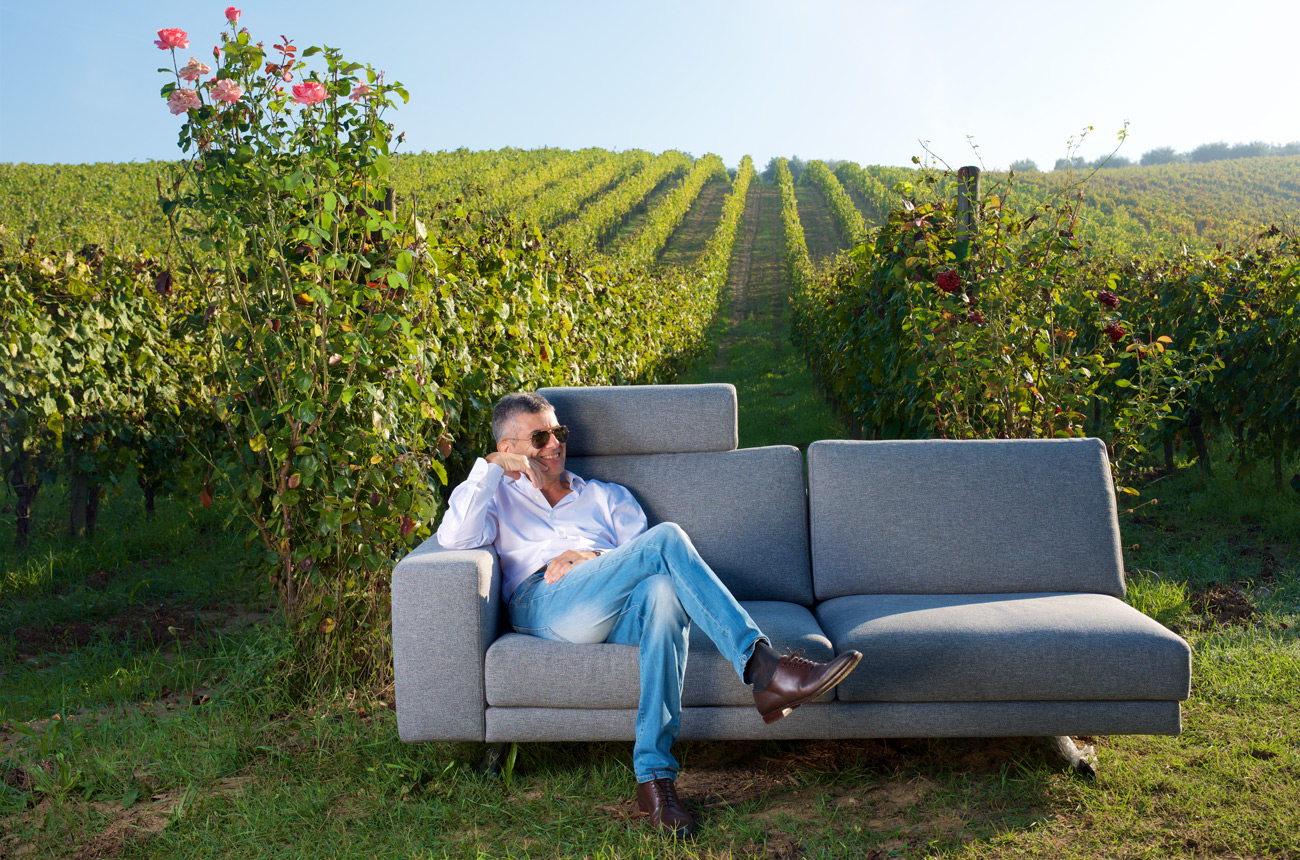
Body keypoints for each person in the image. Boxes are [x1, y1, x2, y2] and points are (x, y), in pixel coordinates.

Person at [436, 391, 862, 838]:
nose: (555, 444)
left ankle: (655, 779)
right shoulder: (497, 496)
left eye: (558, 432)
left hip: (616, 606)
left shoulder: (605, 496)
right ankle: (764, 668)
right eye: (539, 437)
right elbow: (454, 537)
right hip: (542, 601)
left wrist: (591, 555)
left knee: (662, 591)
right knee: (668, 536)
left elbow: (650, 560)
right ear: (509, 448)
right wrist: (491, 468)